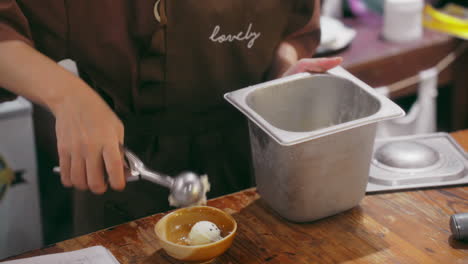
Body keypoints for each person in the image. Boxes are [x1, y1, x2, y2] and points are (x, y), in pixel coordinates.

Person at [0, 0, 341, 234]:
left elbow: (293, 27)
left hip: (250, 162)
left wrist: (283, 77)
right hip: (127, 170)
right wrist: (69, 96)